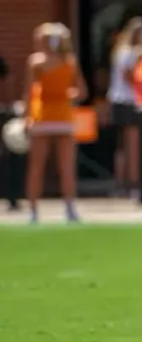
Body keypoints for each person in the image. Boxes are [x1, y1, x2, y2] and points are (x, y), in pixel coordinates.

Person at [25, 23, 86, 224]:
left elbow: (29, 92)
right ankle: (69, 208)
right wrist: (65, 95)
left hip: (42, 116)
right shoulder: (69, 61)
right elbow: (81, 92)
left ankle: (33, 211)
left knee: (37, 166)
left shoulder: (36, 62)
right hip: (62, 116)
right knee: (66, 166)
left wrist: (27, 117)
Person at [108, 16, 142, 200]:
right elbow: (129, 77)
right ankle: (132, 184)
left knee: (123, 146)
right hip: (128, 101)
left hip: (119, 100)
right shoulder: (129, 52)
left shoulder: (120, 50)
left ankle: (122, 184)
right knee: (131, 145)